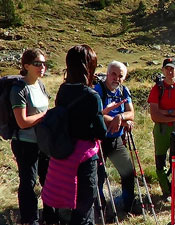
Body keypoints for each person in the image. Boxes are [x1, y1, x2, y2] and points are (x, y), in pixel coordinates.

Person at [41, 44, 107, 224]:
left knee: (68, 208)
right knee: (84, 208)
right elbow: (101, 132)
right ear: (89, 66)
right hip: (84, 159)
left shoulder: (63, 90)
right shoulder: (92, 96)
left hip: (63, 154)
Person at [10, 48, 58, 225]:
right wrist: (46, 116)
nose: (42, 67)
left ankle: (51, 217)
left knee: (48, 179)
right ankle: (30, 220)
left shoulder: (40, 85)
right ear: (26, 65)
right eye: (38, 64)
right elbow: (22, 122)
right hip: (25, 143)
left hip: (43, 142)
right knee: (29, 182)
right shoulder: (18, 89)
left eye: (44, 63)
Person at [147, 58, 175, 200]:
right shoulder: (157, 88)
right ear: (162, 70)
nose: (169, 71)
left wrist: (166, 112)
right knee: (160, 161)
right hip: (161, 130)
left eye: (172, 68)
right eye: (167, 68)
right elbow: (155, 116)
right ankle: (166, 191)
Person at [93, 60, 136, 213]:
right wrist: (120, 122)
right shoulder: (97, 91)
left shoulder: (124, 91)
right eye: (113, 74)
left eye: (120, 76)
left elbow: (131, 114)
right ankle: (100, 209)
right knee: (97, 176)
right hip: (98, 141)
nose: (116, 78)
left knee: (128, 173)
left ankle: (127, 205)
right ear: (107, 73)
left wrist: (120, 117)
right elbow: (96, 115)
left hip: (116, 140)